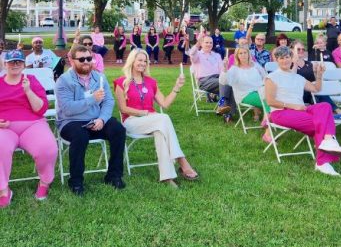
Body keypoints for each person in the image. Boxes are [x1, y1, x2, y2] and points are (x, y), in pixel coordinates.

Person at [114, 49, 198, 188]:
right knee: (163, 119)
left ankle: (166, 177)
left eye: (145, 60)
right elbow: (123, 109)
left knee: (160, 131)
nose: (143, 63)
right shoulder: (122, 82)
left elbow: (165, 104)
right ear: (132, 61)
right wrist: (145, 113)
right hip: (132, 121)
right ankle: (182, 161)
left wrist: (177, 87)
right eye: (139, 60)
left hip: (154, 122)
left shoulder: (151, 82)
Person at [265, 46, 341, 176]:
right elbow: (270, 101)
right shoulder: (272, 77)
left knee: (325, 106)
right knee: (321, 122)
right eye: (281, 58)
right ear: (276, 60)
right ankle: (323, 161)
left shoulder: (298, 78)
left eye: (287, 57)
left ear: (292, 58)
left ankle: (327, 140)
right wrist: (293, 106)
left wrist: (319, 76)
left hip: (300, 110)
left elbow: (316, 89)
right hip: (281, 112)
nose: (285, 60)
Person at [55, 44, 126, 195]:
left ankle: (114, 175)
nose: (86, 61)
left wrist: (102, 119)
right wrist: (92, 100)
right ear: (71, 60)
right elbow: (68, 109)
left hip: (96, 119)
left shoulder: (99, 77)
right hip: (71, 122)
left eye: (89, 58)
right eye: (82, 59)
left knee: (118, 129)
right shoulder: (64, 81)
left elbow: (108, 101)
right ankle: (76, 181)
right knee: (80, 136)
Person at [0, 50, 58, 208]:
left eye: (18, 62)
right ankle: (4, 190)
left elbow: (41, 109)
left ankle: (44, 183)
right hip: (4, 127)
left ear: (24, 65)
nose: (15, 65)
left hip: (32, 124)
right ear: (5, 64)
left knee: (47, 148)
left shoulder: (31, 80)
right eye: (11, 62)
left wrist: (28, 91)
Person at [219, 46, 271, 137]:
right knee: (269, 100)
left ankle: (269, 121)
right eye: (240, 53)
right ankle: (267, 129)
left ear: (248, 54)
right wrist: (225, 69)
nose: (243, 55)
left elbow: (266, 77)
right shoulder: (234, 69)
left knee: (273, 97)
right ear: (237, 56)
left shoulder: (255, 65)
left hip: (260, 91)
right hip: (245, 95)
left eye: (245, 52)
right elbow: (223, 81)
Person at [291, 40, 341, 117]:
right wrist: (295, 63)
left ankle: (328, 113)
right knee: (314, 92)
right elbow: (291, 79)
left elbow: (317, 83)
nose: (301, 51)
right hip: (298, 94)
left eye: (303, 49)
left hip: (313, 93)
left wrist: (317, 73)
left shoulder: (309, 64)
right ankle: (334, 110)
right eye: (298, 49)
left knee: (316, 91)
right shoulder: (289, 64)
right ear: (292, 50)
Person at [189, 35, 232, 117]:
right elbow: (191, 53)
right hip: (204, 81)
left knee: (229, 83)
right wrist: (198, 43)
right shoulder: (197, 55)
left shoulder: (217, 56)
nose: (209, 44)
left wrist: (226, 66)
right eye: (206, 42)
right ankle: (224, 109)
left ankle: (225, 112)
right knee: (225, 84)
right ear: (201, 43)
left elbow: (222, 71)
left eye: (210, 43)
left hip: (218, 78)